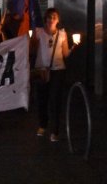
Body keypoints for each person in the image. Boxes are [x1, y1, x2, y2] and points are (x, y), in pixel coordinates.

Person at [30, 8, 78, 142]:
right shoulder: (38, 32)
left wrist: (74, 45)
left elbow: (65, 54)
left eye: (54, 17)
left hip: (58, 70)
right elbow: (32, 50)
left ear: (58, 20)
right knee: (41, 99)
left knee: (55, 100)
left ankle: (55, 130)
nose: (51, 20)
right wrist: (30, 40)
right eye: (49, 17)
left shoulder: (62, 34)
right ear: (45, 19)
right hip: (41, 70)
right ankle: (42, 124)